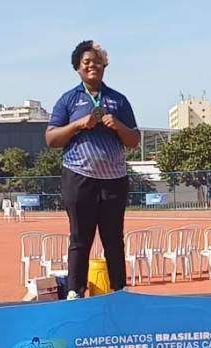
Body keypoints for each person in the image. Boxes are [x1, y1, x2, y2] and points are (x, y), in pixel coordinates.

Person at [45, 40, 139, 299]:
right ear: (77, 67)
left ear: (104, 66)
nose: (92, 66)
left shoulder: (118, 100)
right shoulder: (68, 100)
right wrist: (78, 124)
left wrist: (117, 125)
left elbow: (134, 140)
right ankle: (75, 292)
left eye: (97, 61)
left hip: (113, 180)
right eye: (86, 62)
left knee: (113, 239)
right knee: (80, 238)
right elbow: (51, 139)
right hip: (79, 177)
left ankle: (119, 290)